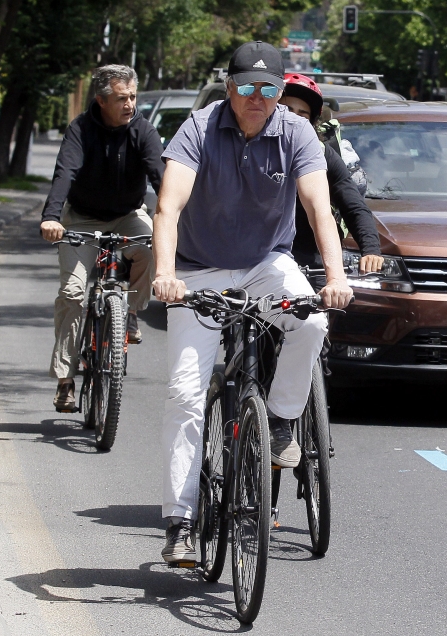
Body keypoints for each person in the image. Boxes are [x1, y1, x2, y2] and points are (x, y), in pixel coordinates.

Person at [152, 41, 353, 564]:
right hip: (197, 272)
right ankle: (181, 519)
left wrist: (335, 275)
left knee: (311, 321)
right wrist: (167, 274)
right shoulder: (198, 128)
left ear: (281, 92)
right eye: (247, 88)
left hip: (267, 265)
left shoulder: (297, 132)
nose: (257, 98)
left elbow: (318, 207)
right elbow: (168, 208)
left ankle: (283, 418)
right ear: (229, 88)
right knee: (184, 394)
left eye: (269, 89)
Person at [40, 65, 164, 412]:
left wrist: (177, 220)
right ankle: (65, 380)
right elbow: (65, 172)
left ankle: (131, 312)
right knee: (73, 293)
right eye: (121, 98)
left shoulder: (142, 130)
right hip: (81, 217)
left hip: (127, 213)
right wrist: (51, 217)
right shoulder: (81, 130)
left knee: (151, 246)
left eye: (132, 97)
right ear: (101, 100)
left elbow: (160, 178)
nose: (129, 104)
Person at [278, 73, 383, 274]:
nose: (293, 120)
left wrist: (371, 250)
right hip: (258, 263)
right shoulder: (251, 148)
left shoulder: (322, 154)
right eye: (286, 110)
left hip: (310, 263)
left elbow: (354, 207)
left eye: (303, 115)